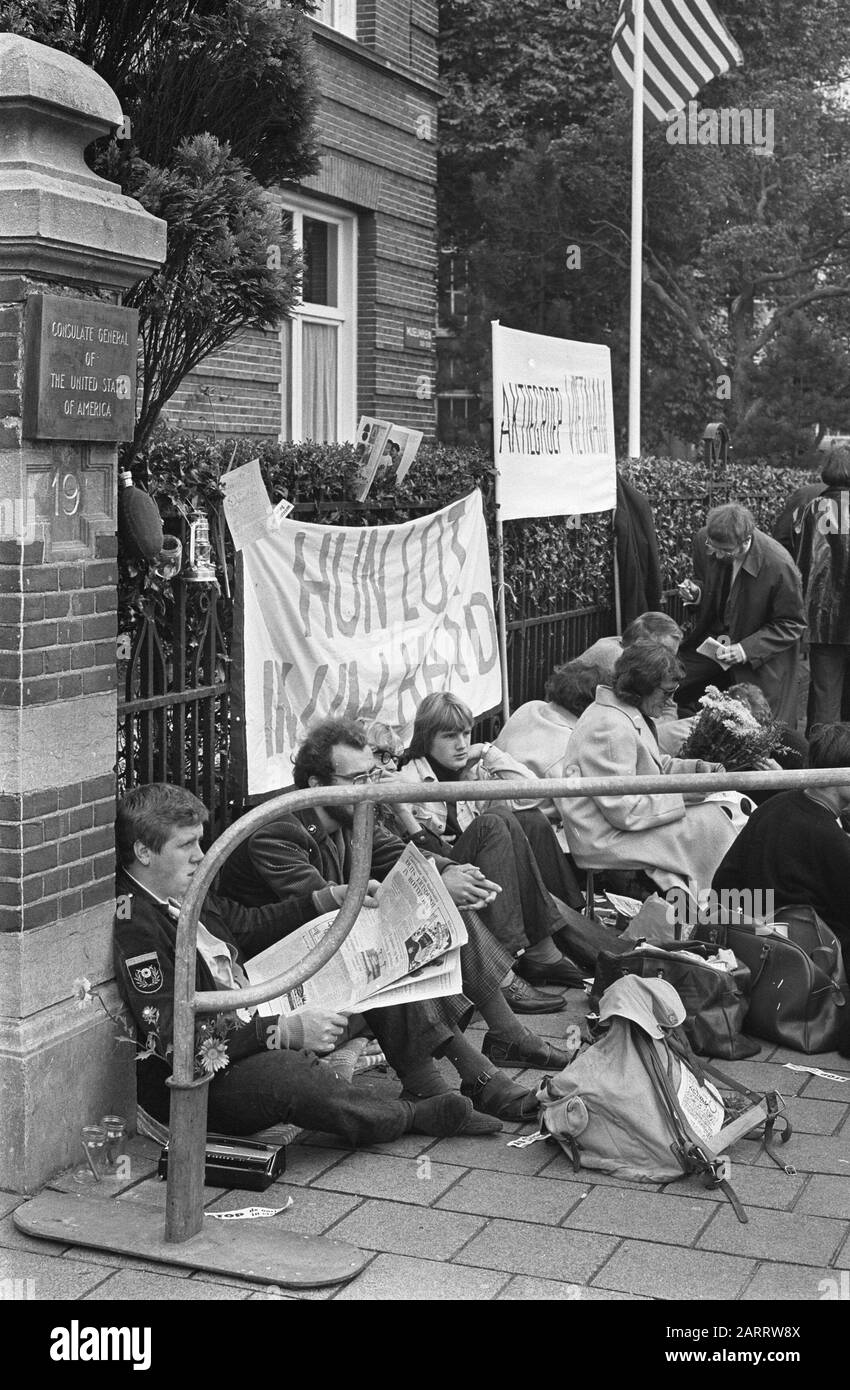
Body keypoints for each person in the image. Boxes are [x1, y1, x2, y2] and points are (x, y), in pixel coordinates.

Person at [114, 784, 506, 1144]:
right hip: (203, 1079)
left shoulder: (183, 888)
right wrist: (283, 1031)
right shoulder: (136, 924)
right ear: (144, 852)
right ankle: (410, 1115)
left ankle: (430, 1084)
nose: (201, 856)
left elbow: (246, 926)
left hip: (253, 1007)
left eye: (200, 842)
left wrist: (332, 899)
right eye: (186, 845)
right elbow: (171, 1033)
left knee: (371, 958)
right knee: (291, 1075)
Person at [220, 719, 570, 1116]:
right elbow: (323, 916)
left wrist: (444, 874)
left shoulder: (353, 814)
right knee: (386, 950)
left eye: (371, 775)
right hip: (274, 973)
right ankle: (462, 1079)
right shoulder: (279, 832)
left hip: (326, 951)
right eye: (356, 779)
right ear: (317, 784)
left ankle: (503, 1041)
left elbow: (399, 854)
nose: (370, 787)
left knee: (438, 912)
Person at [396, 691, 586, 988]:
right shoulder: (408, 779)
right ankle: (513, 956)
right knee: (496, 821)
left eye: (466, 733)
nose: (461, 745)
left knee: (531, 820)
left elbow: (532, 794)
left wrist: (486, 751)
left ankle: (559, 933)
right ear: (427, 738)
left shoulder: (473, 768)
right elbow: (415, 850)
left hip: (484, 868)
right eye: (449, 736)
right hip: (441, 872)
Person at [559, 643, 737, 898]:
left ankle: (723, 909)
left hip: (618, 827)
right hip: (605, 838)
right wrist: (688, 793)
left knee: (718, 816)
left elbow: (652, 767)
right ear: (641, 687)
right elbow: (625, 810)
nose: (671, 700)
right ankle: (723, 911)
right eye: (667, 692)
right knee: (713, 823)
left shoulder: (624, 713)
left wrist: (694, 770)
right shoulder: (609, 727)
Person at [712, 723, 850, 982]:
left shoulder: (776, 805)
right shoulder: (829, 839)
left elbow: (723, 882)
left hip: (749, 946)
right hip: (810, 968)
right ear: (839, 772)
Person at [676, 502, 806, 724]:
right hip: (718, 643)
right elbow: (719, 590)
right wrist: (697, 594)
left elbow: (792, 623)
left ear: (746, 541)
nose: (716, 555)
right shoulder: (711, 541)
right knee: (672, 679)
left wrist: (746, 649)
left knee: (758, 724)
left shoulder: (779, 564)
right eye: (712, 547)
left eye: (725, 551)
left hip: (759, 657)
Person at [493, 660, 600, 828]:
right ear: (591, 705)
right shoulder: (569, 745)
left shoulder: (530, 707)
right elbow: (579, 813)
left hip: (496, 807)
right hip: (529, 829)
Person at [575, 612, 694, 754]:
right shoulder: (617, 659)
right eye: (662, 651)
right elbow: (636, 715)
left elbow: (667, 704)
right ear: (641, 643)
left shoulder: (638, 658)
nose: (669, 660)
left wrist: (666, 720)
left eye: (671, 655)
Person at [795, 447, 850, 733]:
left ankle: (821, 762)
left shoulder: (813, 508)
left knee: (825, 697)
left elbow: (804, 562)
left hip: (822, 619)